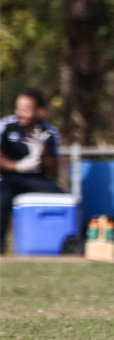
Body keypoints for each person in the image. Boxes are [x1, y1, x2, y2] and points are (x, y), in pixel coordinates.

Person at [0, 89, 62, 253]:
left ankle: (60, 246)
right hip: (8, 179)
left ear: (39, 111)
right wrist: (18, 166)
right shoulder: (5, 126)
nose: (20, 113)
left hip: (37, 180)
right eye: (18, 108)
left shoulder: (49, 132)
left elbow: (53, 171)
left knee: (62, 199)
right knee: (1, 197)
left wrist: (41, 154)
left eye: (26, 110)